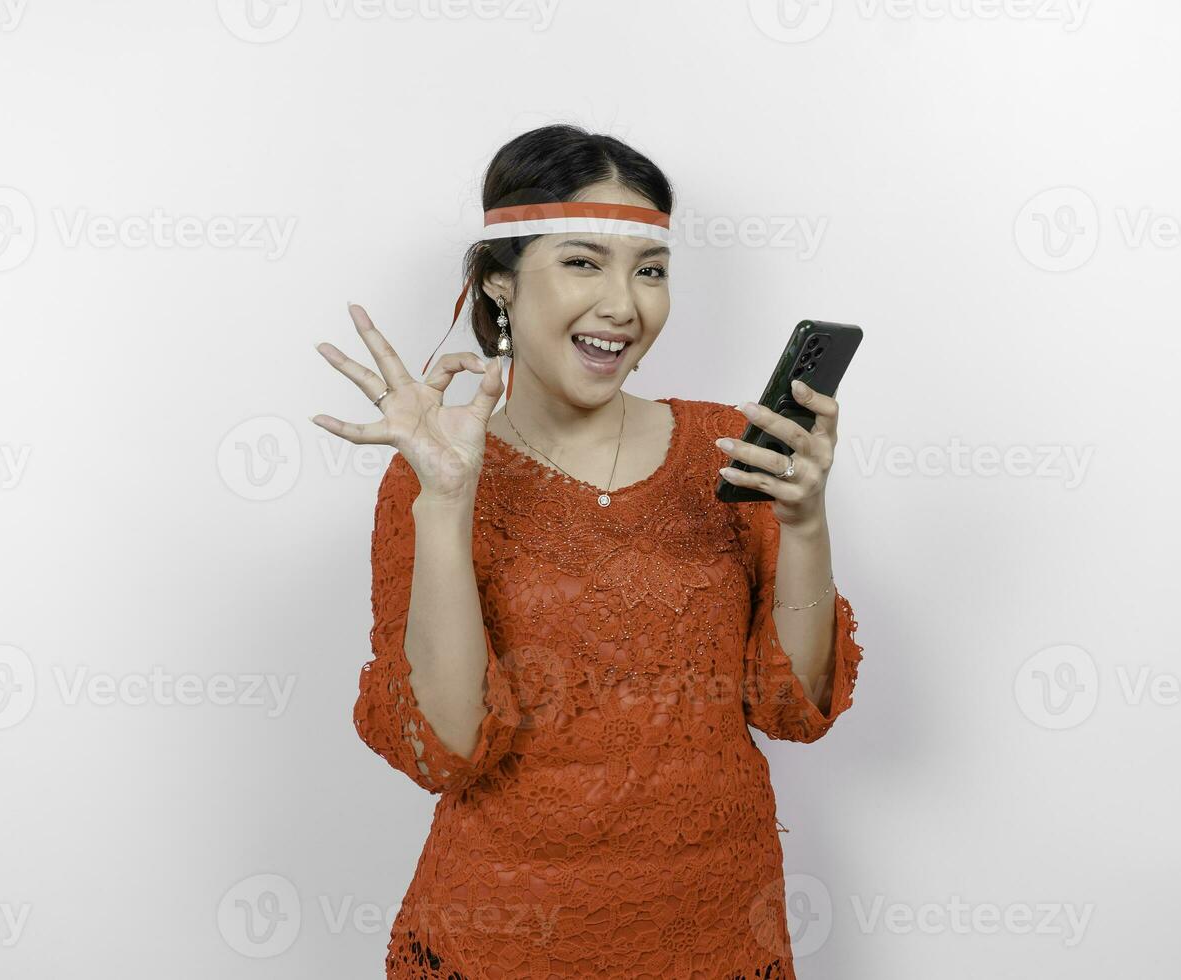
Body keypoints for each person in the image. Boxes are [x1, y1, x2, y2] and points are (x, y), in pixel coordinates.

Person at [311, 124, 864, 979]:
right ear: (498, 282)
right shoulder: (433, 478)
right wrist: (448, 501)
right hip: (498, 945)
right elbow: (449, 747)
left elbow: (793, 709)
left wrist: (805, 523)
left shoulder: (729, 447)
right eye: (582, 262)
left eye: (649, 270)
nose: (624, 304)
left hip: (717, 934)